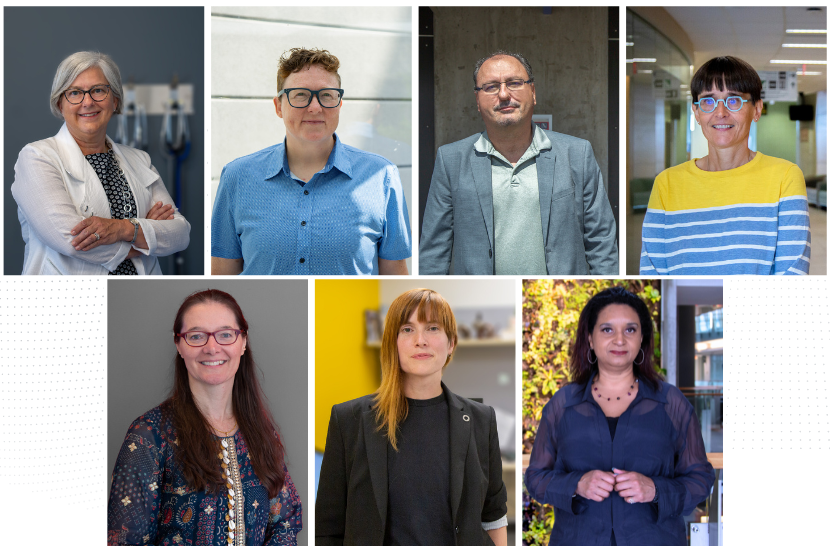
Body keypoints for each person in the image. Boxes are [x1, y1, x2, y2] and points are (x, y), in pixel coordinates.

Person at [108, 290, 302, 546]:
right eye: (196, 336)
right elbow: (127, 544)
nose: (212, 348)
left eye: (225, 335)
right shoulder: (149, 435)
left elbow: (285, 523)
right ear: (179, 345)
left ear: (243, 342)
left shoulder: (262, 432)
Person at [316, 288, 508, 546]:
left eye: (432, 328)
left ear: (451, 343)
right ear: (392, 342)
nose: (421, 340)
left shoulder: (481, 420)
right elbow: (327, 529)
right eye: (407, 329)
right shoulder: (348, 420)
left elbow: (493, 516)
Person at [525, 287, 715, 546]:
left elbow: (701, 479)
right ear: (590, 339)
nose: (619, 340)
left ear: (641, 339)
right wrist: (577, 484)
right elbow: (535, 477)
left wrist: (656, 489)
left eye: (630, 329)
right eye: (607, 329)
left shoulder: (672, 404)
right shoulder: (562, 405)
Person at [211, 47, 411, 275]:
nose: (315, 107)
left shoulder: (382, 176)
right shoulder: (237, 177)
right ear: (279, 106)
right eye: (300, 95)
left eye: (326, 95)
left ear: (339, 104)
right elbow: (223, 278)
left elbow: (396, 280)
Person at [420, 50, 618, 275]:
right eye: (491, 86)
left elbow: (601, 240)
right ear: (477, 100)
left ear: (533, 92)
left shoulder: (577, 153)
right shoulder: (451, 160)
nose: (504, 94)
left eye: (514, 83)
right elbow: (434, 252)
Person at [11, 51, 190, 275]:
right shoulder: (37, 157)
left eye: (98, 90)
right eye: (75, 93)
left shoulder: (140, 160)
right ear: (60, 104)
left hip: (139, 298)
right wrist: (145, 236)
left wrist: (122, 228)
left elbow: (180, 234)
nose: (88, 102)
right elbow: (72, 242)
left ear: (115, 100)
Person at [640, 55, 811, 275]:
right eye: (708, 101)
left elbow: (792, 277)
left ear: (756, 109)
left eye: (734, 100)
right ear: (697, 112)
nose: (720, 113)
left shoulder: (785, 177)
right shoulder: (666, 183)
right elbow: (652, 271)